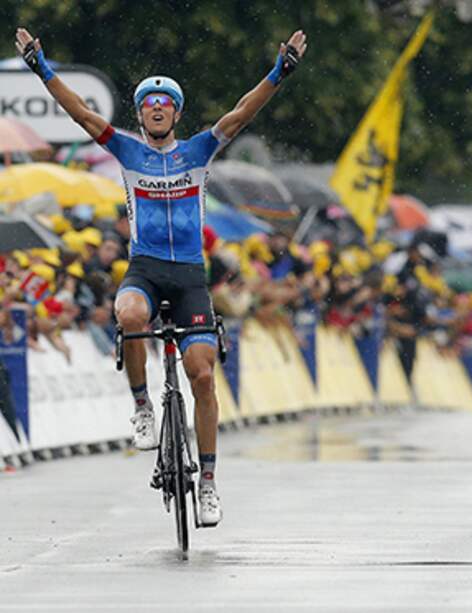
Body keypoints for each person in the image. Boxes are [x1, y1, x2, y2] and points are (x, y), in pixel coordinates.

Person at [15, 26, 308, 526]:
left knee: (201, 374)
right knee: (128, 313)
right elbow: (81, 114)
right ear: (140, 114)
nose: (155, 108)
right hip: (146, 269)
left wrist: (279, 72)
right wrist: (42, 68)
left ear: (175, 113)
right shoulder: (128, 153)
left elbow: (241, 113)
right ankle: (142, 405)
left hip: (191, 274)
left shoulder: (198, 152)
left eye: (164, 103)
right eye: (147, 103)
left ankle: (210, 484)